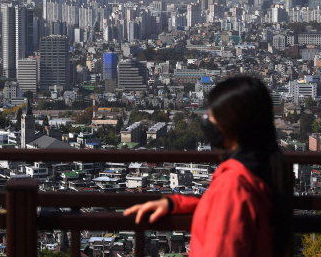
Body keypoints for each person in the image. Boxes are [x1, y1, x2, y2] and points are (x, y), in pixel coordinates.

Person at [124, 77, 291, 256]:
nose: (207, 120)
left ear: (231, 123)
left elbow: (227, 220)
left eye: (212, 115)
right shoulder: (266, 167)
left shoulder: (233, 184)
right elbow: (230, 214)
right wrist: (175, 204)